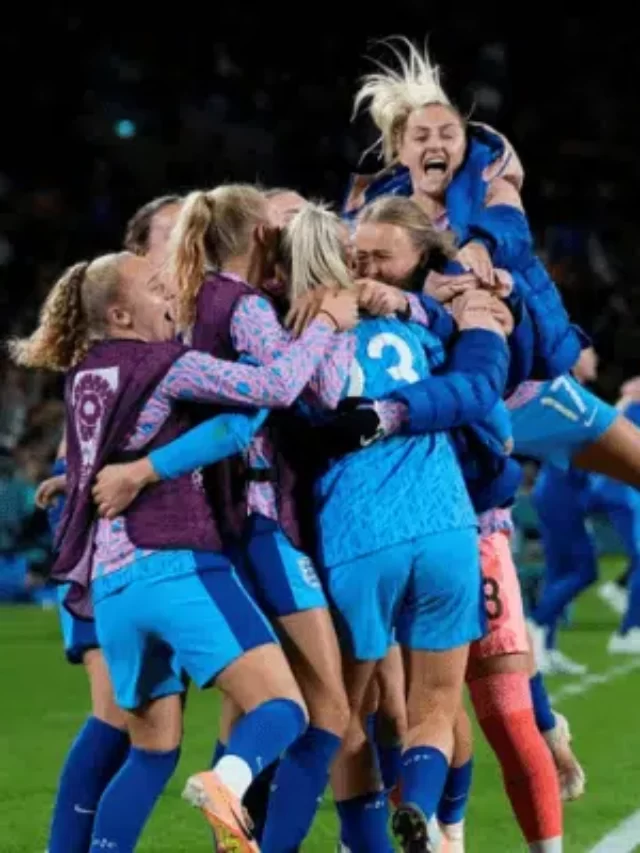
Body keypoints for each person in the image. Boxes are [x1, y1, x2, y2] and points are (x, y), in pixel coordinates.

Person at [11, 248, 356, 851]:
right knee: (284, 709)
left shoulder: (83, 375)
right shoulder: (164, 364)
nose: (170, 293)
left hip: (111, 589)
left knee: (150, 752)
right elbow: (272, 386)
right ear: (120, 314)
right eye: (153, 288)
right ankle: (226, 783)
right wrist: (326, 323)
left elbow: (111, 455)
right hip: (175, 564)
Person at [531, 351, 640, 668]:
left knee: (560, 571)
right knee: (582, 570)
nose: (595, 358)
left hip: (564, 489)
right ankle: (535, 626)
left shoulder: (575, 395)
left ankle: (545, 647)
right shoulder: (565, 393)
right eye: (588, 353)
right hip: (561, 490)